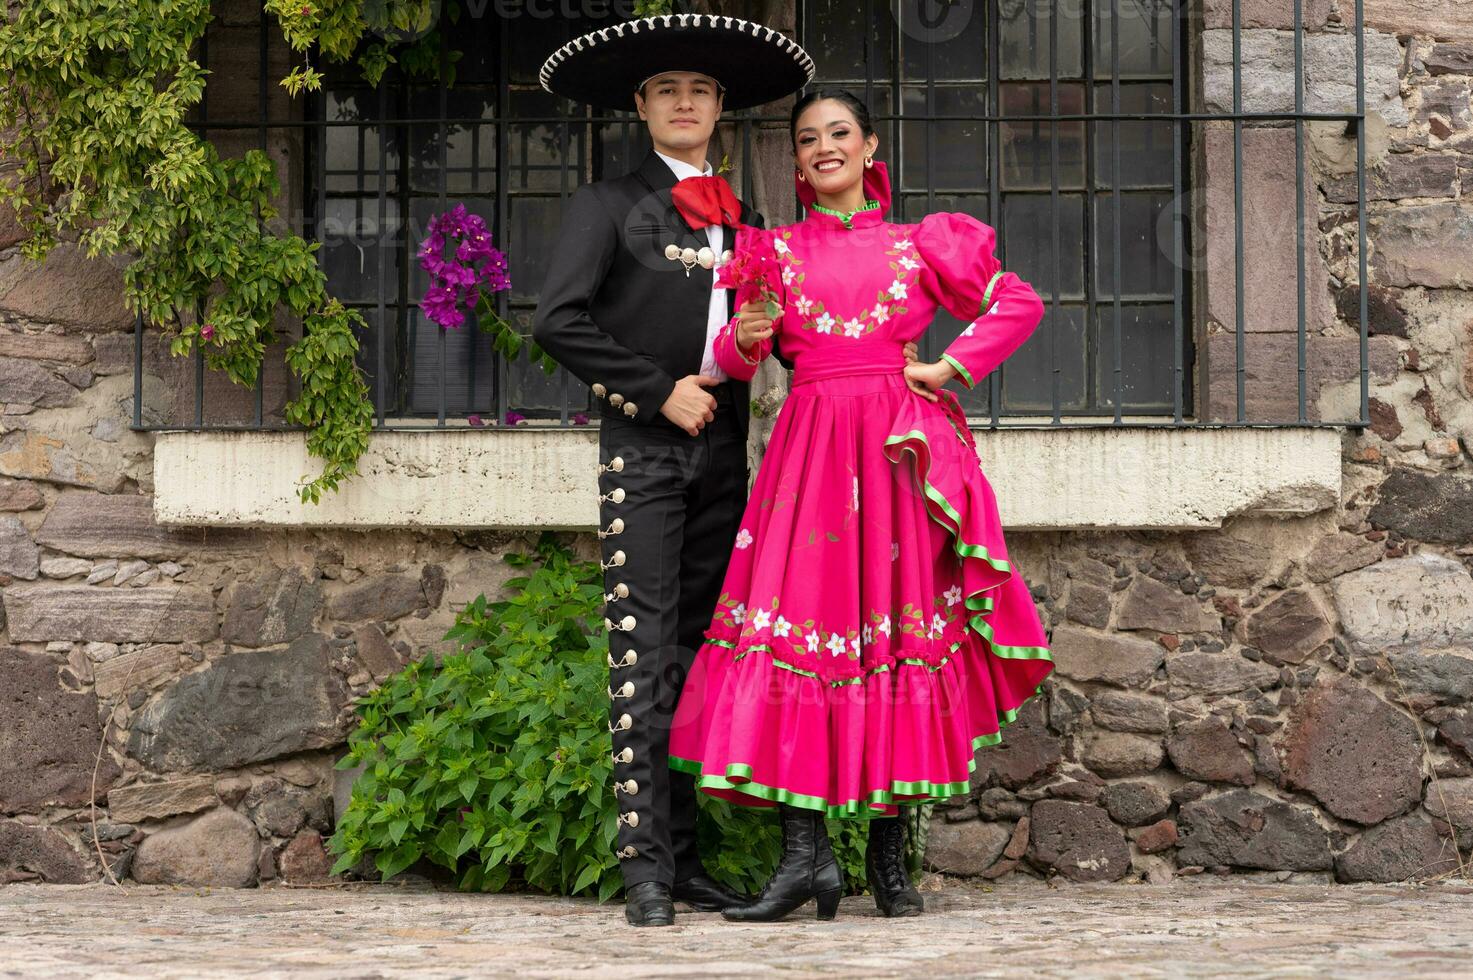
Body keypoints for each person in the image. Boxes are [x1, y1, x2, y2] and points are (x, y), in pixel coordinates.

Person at [667, 89, 1056, 923]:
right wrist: (745, 334)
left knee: (890, 628)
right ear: (798, 159)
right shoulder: (769, 253)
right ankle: (805, 860)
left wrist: (947, 370)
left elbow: (1017, 302)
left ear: (869, 144)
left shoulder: (922, 244)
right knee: (801, 630)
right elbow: (738, 364)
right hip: (807, 458)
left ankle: (887, 861)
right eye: (808, 139)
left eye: (838, 133)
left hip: (894, 456)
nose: (823, 148)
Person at [531, 15, 815, 928]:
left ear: (720, 108)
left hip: (724, 454)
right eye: (665, 90)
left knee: (700, 660)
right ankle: (645, 873)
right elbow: (558, 320)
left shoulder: (748, 218)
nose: (684, 102)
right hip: (645, 449)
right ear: (642, 107)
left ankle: (686, 863)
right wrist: (658, 394)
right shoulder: (606, 204)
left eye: (699, 89)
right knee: (643, 659)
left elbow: (767, 334)